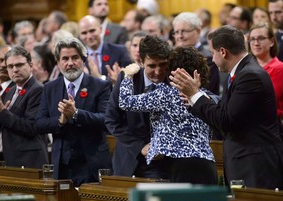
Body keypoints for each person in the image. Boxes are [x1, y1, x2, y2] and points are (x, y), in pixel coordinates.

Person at [170, 25, 283, 189]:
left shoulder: (250, 76)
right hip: (247, 161)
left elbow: (225, 121)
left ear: (223, 52)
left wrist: (195, 94)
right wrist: (196, 98)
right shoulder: (242, 72)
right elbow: (227, 111)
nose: (213, 59)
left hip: (255, 165)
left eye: (213, 53)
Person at [118, 37, 218, 184]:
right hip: (207, 164)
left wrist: (127, 76)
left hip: (181, 167)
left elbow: (126, 102)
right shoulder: (203, 97)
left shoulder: (166, 94)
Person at [35, 37, 112, 187]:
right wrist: (60, 120)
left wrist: (76, 114)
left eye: (75, 58)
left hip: (92, 163)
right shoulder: (49, 88)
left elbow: (106, 120)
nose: (70, 63)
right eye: (65, 59)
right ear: (58, 63)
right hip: (62, 165)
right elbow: (39, 124)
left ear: (83, 60)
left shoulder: (100, 86)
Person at [105, 35, 170, 179]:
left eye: (163, 65)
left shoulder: (174, 81)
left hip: (162, 164)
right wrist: (139, 146)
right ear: (140, 61)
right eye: (152, 66)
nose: (158, 72)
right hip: (127, 161)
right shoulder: (127, 79)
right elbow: (111, 119)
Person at [0, 45, 48, 168]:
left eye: (19, 65)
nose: (15, 70)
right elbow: (5, 123)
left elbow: (32, 126)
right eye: (10, 66)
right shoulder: (10, 91)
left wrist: (2, 113)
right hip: (8, 158)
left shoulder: (38, 90)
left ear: (30, 65)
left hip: (29, 161)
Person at [248, 22, 283, 139]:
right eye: (252, 39)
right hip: (248, 129)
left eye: (261, 38)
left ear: (272, 41)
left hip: (271, 129)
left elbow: (269, 100)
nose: (256, 43)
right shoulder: (244, 69)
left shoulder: (280, 69)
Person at [172, 12, 220, 95]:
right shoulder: (172, 57)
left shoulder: (208, 59)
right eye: (176, 32)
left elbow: (208, 91)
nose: (180, 36)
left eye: (184, 31)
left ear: (198, 31)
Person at [78, 15, 132, 84]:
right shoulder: (77, 57)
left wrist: (100, 77)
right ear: (79, 35)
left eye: (92, 31)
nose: (89, 36)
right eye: (84, 33)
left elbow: (128, 81)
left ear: (101, 29)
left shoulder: (119, 51)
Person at [0, 45, 14, 160]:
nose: (3, 65)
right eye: (0, 60)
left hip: (7, 156)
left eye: (7, 61)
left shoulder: (19, 91)